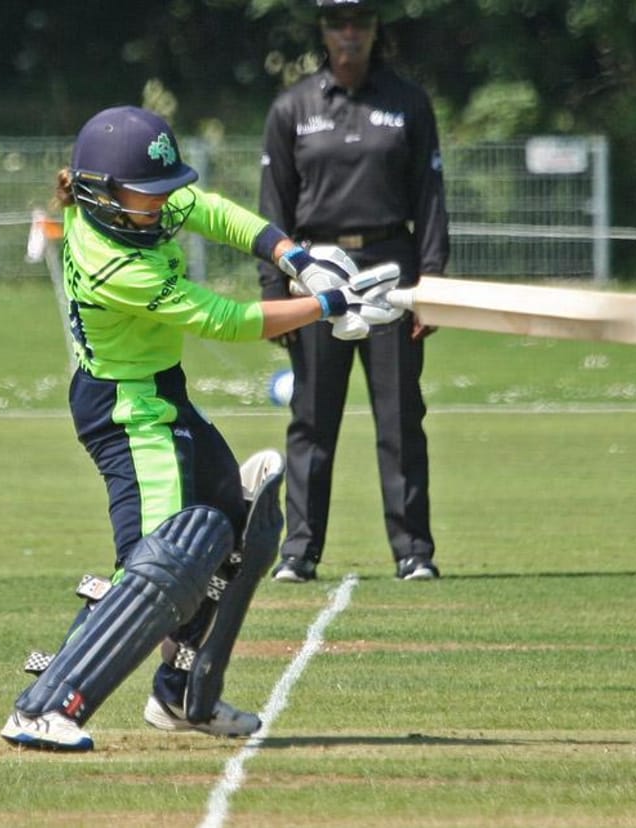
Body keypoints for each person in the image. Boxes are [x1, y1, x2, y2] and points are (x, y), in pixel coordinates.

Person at [0, 105, 397, 752]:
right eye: (146, 195)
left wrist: (298, 258)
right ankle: (44, 706)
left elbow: (213, 211)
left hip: (163, 394)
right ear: (100, 192)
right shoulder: (115, 264)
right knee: (158, 567)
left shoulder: (133, 206)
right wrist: (328, 304)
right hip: (127, 413)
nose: (161, 206)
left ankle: (182, 696)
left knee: (242, 528)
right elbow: (226, 320)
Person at [259, 0, 451, 583]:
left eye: (360, 21)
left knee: (400, 418)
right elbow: (274, 206)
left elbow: (431, 195)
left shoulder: (408, 102)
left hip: (392, 266)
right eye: (338, 22)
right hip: (317, 270)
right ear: (323, 30)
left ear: (375, 29)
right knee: (312, 420)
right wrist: (276, 295)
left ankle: (413, 550)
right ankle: (299, 552)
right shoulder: (294, 106)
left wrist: (433, 278)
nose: (350, 33)